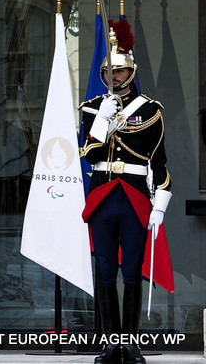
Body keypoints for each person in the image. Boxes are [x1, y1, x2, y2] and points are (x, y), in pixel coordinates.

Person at [80, 22, 171, 364]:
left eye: (119, 71)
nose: (113, 77)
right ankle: (110, 344)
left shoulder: (149, 111)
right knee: (105, 270)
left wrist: (160, 204)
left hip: (134, 197)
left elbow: (159, 162)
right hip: (102, 196)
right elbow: (88, 156)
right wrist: (101, 121)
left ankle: (130, 343)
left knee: (131, 270)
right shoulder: (92, 108)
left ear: (131, 71)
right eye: (109, 72)